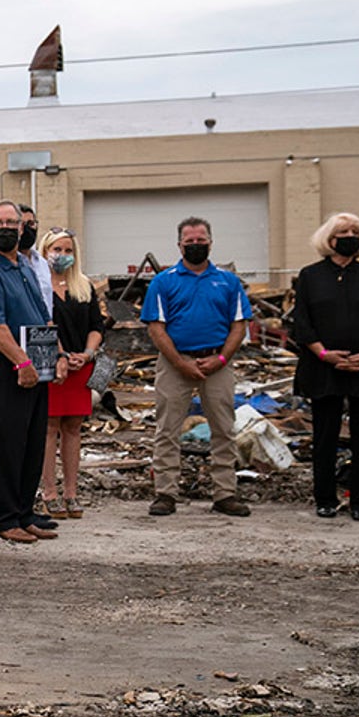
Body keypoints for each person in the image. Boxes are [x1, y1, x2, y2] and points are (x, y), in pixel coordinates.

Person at [141, 216, 254, 517]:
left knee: (224, 429)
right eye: (189, 241)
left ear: (210, 242)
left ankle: (225, 494)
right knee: (167, 430)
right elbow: (156, 328)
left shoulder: (228, 282)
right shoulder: (163, 282)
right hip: (175, 363)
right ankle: (165, 493)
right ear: (179, 244)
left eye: (200, 240)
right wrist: (180, 363)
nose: (195, 245)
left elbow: (239, 326)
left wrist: (220, 360)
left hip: (218, 362)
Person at [0, 200, 57, 544]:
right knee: (7, 443)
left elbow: (42, 317)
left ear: (22, 228)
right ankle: (3, 517)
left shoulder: (24, 267)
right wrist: (22, 363)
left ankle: (24, 511)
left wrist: (54, 357)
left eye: (11, 222)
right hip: (6, 366)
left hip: (36, 365)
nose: (5, 228)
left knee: (32, 442)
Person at [289, 213, 359, 520]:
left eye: (355, 231)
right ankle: (325, 499)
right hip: (323, 368)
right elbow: (301, 322)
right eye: (343, 231)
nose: (350, 235)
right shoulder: (310, 276)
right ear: (329, 238)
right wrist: (323, 354)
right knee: (325, 436)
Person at [37, 228, 111, 520]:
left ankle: (71, 492)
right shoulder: (38, 285)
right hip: (53, 366)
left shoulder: (84, 286)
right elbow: (42, 324)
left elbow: (97, 325)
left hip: (81, 365)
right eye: (57, 249)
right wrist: (60, 355)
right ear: (44, 252)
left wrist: (88, 354)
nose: (63, 255)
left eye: (68, 250)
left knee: (74, 428)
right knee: (48, 428)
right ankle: (49, 493)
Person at [18, 204, 54, 316]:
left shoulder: (43, 264)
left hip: (44, 330)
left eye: (31, 224)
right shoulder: (7, 264)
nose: (27, 229)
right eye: (22, 224)